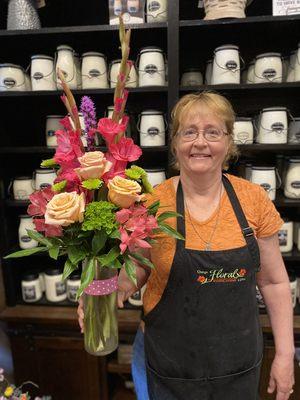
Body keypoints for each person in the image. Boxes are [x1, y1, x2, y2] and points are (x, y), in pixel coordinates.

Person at [78, 92, 295, 400]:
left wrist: (285, 356)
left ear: (229, 143)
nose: (200, 142)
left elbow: (274, 282)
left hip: (236, 365)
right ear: (176, 143)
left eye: (213, 132)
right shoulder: (154, 202)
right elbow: (139, 267)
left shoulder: (253, 200)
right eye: (189, 132)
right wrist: (101, 292)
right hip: (168, 365)